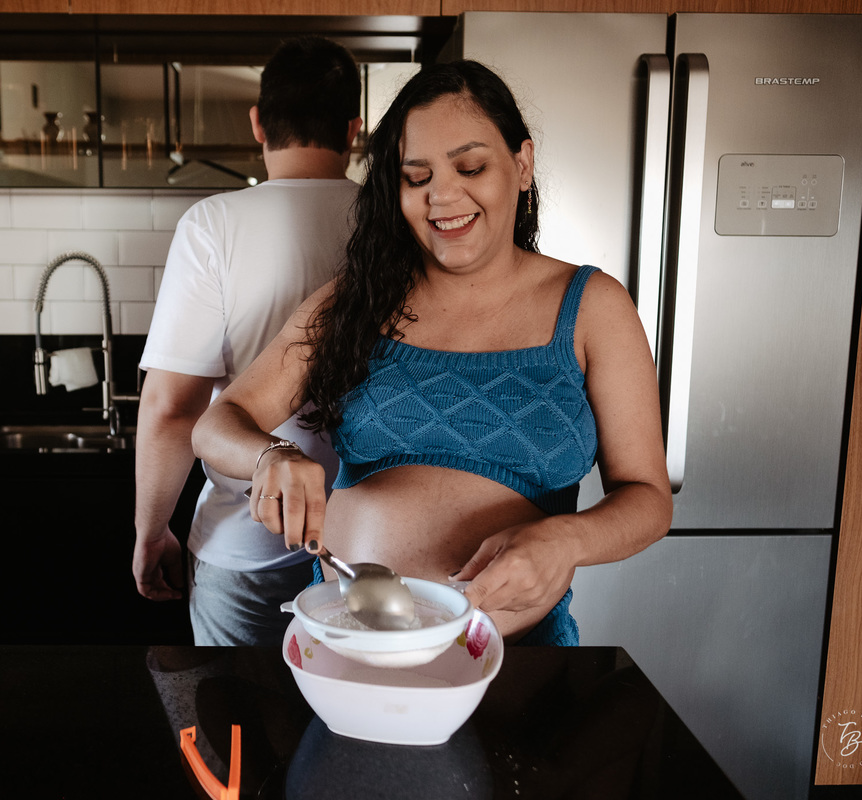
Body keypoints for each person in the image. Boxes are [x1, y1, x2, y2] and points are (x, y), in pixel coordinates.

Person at [191, 60, 672, 645]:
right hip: (349, 646)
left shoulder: (593, 306)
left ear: (522, 165)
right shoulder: (359, 300)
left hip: (514, 662)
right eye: (416, 177)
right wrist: (271, 453)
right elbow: (217, 424)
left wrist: (569, 539)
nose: (441, 197)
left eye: (471, 167)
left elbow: (648, 498)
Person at [132, 36, 364, 646]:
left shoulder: (213, 225)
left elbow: (172, 408)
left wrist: (151, 533)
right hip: (368, 549)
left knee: (233, 710)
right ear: (355, 128)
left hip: (243, 548)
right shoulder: (397, 220)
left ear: (258, 123)